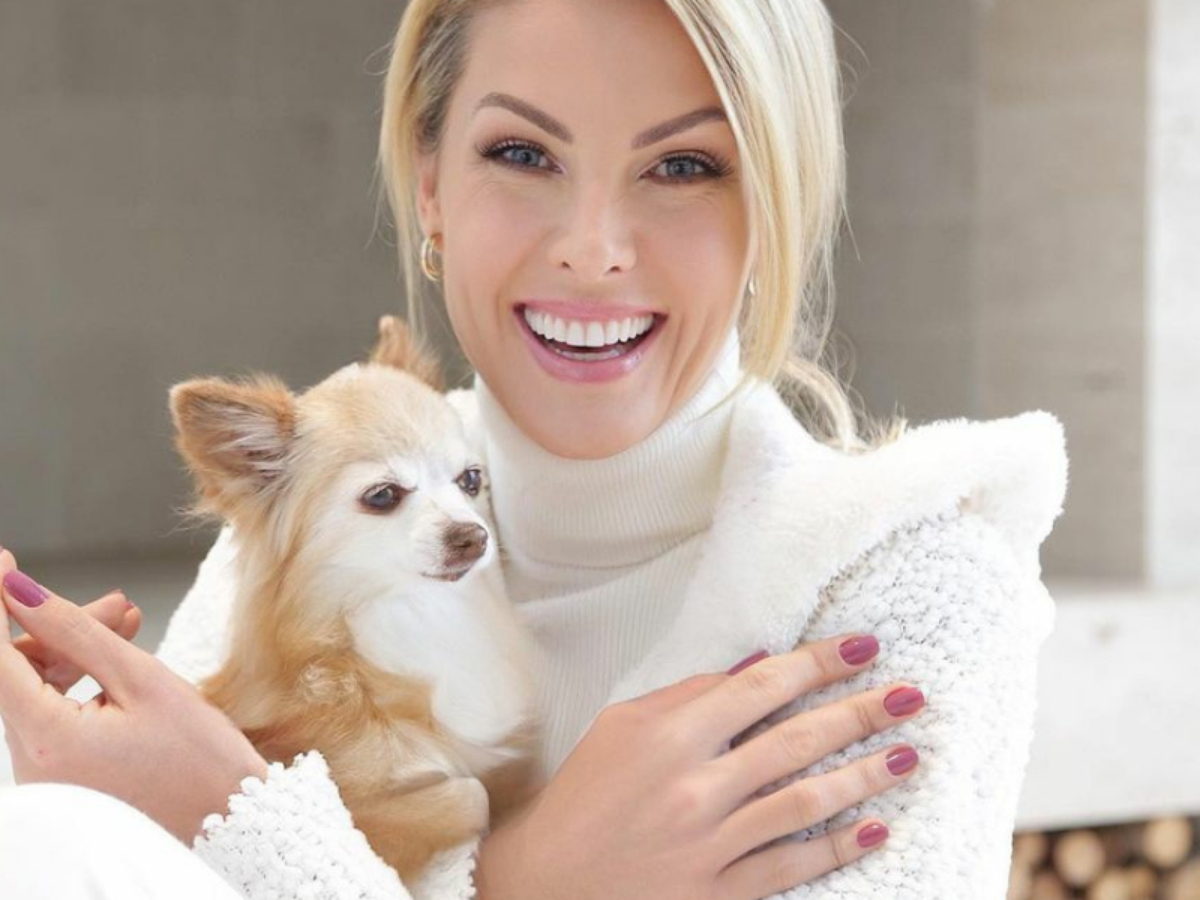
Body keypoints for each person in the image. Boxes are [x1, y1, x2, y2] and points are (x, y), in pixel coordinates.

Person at [0, 0, 1069, 898]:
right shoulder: (307, 533)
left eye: (684, 164)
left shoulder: (909, 590)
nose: (592, 251)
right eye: (522, 153)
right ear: (430, 184)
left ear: (772, 205)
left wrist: (238, 824)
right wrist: (522, 879)